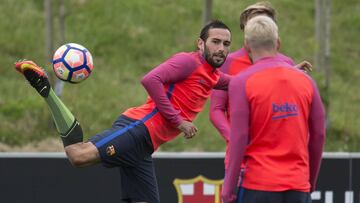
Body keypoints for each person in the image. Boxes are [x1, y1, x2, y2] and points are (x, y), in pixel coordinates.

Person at [15, 20, 232, 203]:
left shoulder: (212, 74)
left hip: (145, 146)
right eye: (215, 42)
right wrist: (178, 121)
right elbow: (150, 79)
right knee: (78, 155)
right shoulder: (188, 61)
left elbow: (241, 83)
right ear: (200, 43)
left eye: (226, 44)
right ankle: (46, 90)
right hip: (138, 128)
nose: (221, 48)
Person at [221, 15, 326, 203]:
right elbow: (318, 134)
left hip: (258, 185)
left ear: (246, 46)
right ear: (278, 43)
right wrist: (309, 181)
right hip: (298, 185)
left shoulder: (240, 82)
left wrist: (228, 191)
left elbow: (238, 138)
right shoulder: (306, 81)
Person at [209, 1, 312, 171]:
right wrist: (235, 139)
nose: (259, 29)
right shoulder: (228, 63)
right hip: (241, 162)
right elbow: (216, 110)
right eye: (253, 25)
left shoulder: (286, 63)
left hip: (278, 160)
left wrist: (292, 77)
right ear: (244, 30)